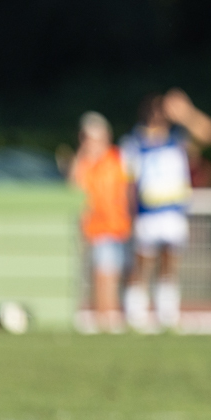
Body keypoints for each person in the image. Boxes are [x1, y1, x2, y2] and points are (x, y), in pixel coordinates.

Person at [121, 89, 211, 331]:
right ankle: (135, 312)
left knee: (169, 262)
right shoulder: (134, 142)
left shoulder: (177, 139)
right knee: (142, 262)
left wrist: (186, 113)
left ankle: (167, 312)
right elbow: (128, 182)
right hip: (147, 212)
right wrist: (129, 213)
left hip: (173, 211)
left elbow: (210, 134)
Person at [69, 112, 131, 334]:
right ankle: (101, 316)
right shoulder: (84, 162)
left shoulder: (116, 158)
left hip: (114, 225)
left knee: (109, 272)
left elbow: (125, 190)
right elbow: (74, 187)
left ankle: (108, 315)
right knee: (100, 272)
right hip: (92, 227)